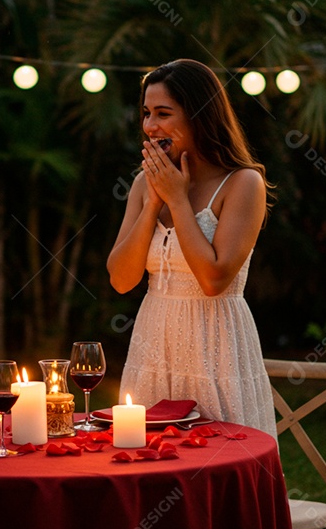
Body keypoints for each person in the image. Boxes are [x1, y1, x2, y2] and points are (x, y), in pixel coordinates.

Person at [107, 58, 277, 440]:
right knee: (151, 461)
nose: (151, 126)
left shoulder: (243, 183)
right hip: (153, 347)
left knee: (217, 463)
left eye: (164, 113)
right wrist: (153, 203)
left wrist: (178, 201)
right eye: (147, 113)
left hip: (216, 348)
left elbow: (213, 279)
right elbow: (121, 279)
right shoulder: (143, 185)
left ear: (200, 115)